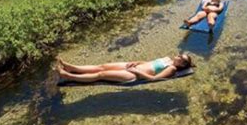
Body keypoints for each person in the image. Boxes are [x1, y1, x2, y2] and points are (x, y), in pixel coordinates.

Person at [56, 53, 194, 83]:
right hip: (134, 66)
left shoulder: (172, 69)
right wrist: (136, 62)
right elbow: (149, 61)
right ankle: (71, 67)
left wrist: (137, 71)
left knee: (101, 74)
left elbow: (154, 79)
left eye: (182, 59)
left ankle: (69, 76)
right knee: (101, 66)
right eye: (181, 56)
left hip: (134, 75)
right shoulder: (167, 59)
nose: (179, 57)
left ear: (182, 65)